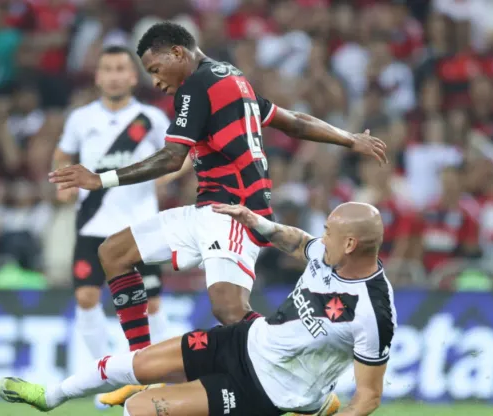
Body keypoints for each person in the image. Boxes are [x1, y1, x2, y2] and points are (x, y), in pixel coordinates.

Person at [49, 23, 388, 403]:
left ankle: (298, 381)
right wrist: (348, 138)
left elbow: (171, 158)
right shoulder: (232, 79)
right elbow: (292, 121)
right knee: (114, 252)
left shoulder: (197, 87)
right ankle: (142, 371)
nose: (157, 82)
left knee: (230, 312)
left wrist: (101, 178)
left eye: (156, 69)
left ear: (177, 53)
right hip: (206, 209)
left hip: (235, 212)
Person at [0, 202, 397, 416]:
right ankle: (50, 396)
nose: (321, 237)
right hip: (246, 340)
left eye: (329, 231)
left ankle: (311, 405)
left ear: (350, 245)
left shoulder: (372, 311)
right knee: (137, 366)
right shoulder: (328, 257)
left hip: (265, 390)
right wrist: (255, 221)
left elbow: (367, 398)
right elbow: (297, 242)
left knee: (137, 410)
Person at [53, 46, 189, 366]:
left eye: (120, 69)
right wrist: (63, 183)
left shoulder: (151, 119)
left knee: (151, 303)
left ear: (132, 76)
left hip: (139, 226)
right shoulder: (81, 118)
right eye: (108, 70)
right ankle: (107, 374)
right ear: (98, 77)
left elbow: (183, 155)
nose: (114, 76)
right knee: (86, 297)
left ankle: (160, 374)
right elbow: (62, 154)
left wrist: (165, 178)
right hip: (92, 222)